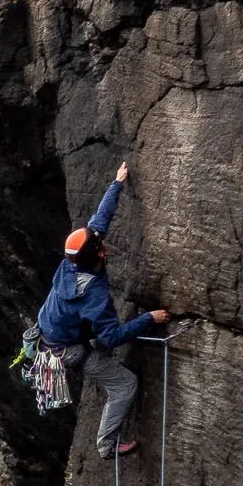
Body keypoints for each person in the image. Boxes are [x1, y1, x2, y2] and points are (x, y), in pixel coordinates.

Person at [37, 161, 169, 458]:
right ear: (99, 254)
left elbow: (99, 221)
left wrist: (117, 183)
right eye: (101, 247)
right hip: (68, 349)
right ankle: (106, 445)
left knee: (99, 345)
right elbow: (110, 338)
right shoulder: (93, 293)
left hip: (53, 334)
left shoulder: (69, 263)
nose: (104, 246)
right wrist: (149, 318)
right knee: (125, 384)